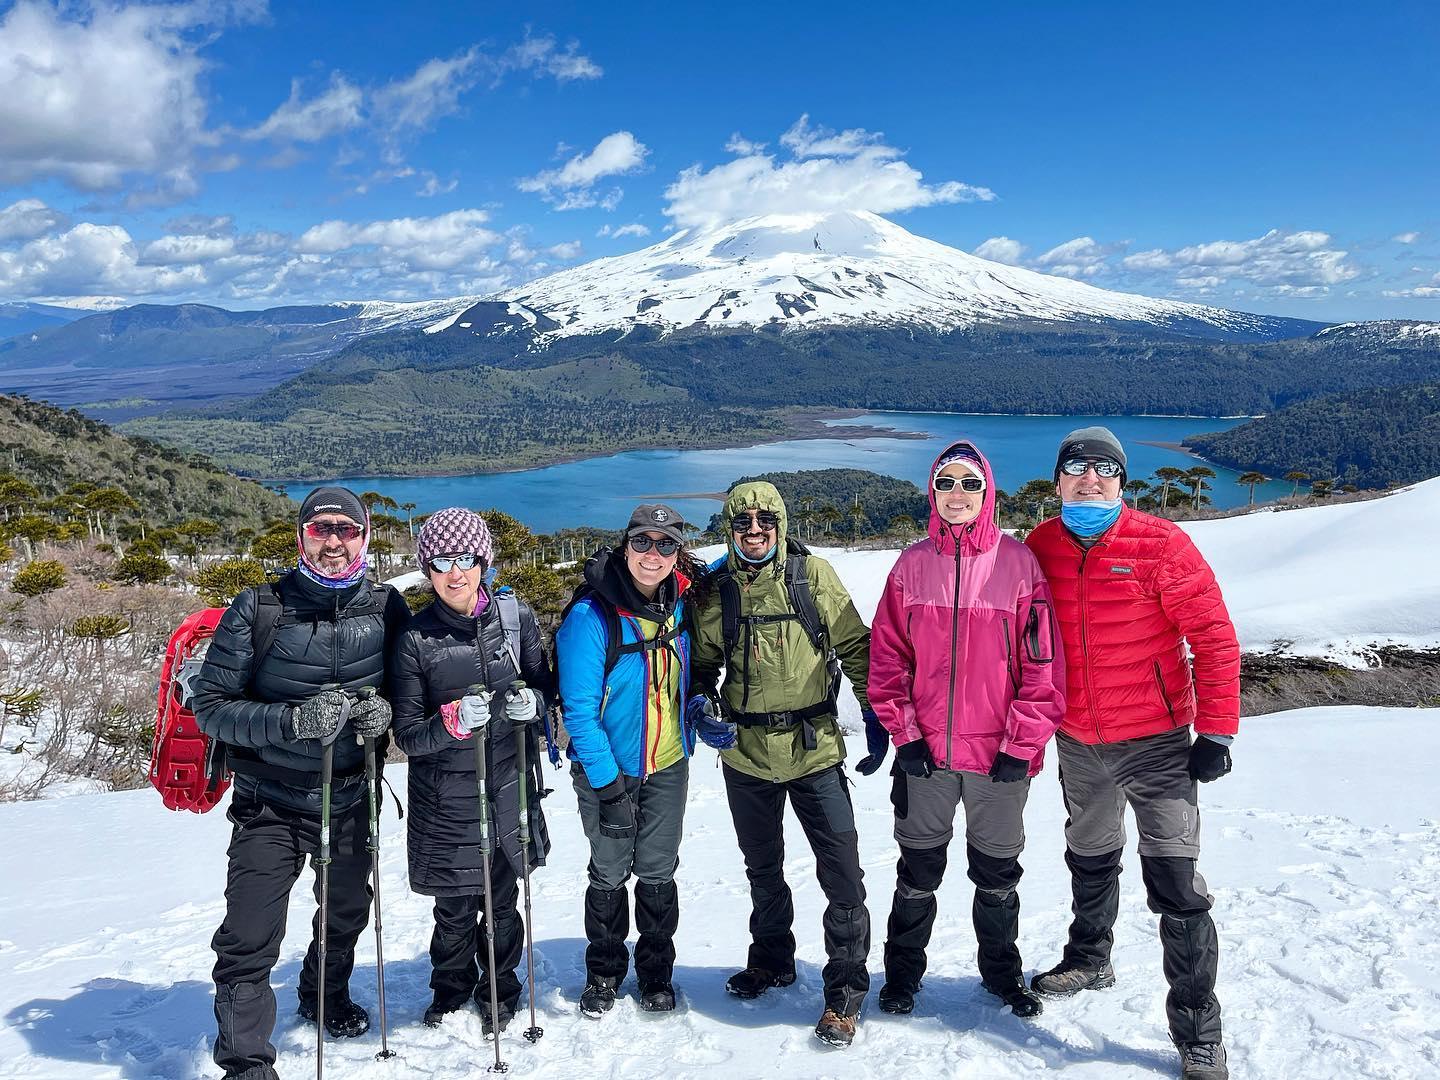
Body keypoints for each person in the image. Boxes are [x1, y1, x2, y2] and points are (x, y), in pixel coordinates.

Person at [1025, 427, 1240, 1080]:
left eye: (1105, 469)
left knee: (1176, 881)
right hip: (1077, 739)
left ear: (1122, 481)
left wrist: (1217, 732)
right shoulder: (1039, 546)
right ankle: (1090, 959)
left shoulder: (1161, 544)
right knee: (1089, 853)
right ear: (1058, 480)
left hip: (1157, 743)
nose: (1090, 479)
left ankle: (1199, 1034)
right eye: (1076, 467)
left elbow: (1213, 636)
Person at [192, 485, 411, 1080]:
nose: (334, 541)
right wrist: (291, 722)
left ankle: (323, 994)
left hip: (350, 796)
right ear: (301, 537)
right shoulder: (259, 608)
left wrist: (384, 714)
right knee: (250, 933)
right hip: (269, 803)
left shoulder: (387, 608)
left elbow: (408, 690)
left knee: (345, 913)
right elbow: (210, 707)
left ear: (365, 537)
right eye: (321, 529)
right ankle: (245, 1063)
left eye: (347, 529)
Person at [866, 440, 1066, 1020]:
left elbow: (1043, 665)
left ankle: (1001, 975)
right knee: (918, 870)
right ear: (932, 491)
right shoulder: (910, 567)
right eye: (946, 483)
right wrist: (904, 736)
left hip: (999, 757)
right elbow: (887, 660)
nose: (957, 494)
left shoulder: (1018, 564)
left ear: (988, 492)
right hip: (926, 755)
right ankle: (902, 976)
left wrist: (1022, 744)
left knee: (997, 871)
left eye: (969, 483)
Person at [689, 480, 876, 1048]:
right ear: (729, 527)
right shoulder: (716, 590)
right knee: (763, 867)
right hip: (745, 753)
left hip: (814, 748)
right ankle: (771, 960)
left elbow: (855, 645)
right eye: (742, 523)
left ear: (781, 525)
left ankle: (845, 990)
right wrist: (699, 704)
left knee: (842, 873)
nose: (754, 532)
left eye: (765, 522)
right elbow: (702, 665)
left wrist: (876, 712)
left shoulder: (811, 577)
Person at [389, 507, 554, 1034]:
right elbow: (406, 735)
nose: (454, 573)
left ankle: (501, 991)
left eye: (464, 559)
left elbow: (544, 688)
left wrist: (533, 705)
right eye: (441, 562)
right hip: (445, 803)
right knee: (454, 910)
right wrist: (451, 723)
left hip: (506, 788)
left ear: (483, 561)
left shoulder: (515, 619)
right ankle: (450, 989)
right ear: (428, 569)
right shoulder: (415, 639)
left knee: (502, 905)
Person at [555, 504, 709, 1018]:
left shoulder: (680, 602)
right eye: (642, 541)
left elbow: (687, 675)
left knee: (659, 871)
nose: (652, 554)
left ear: (677, 553)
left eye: (666, 544)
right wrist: (608, 788)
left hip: (668, 764)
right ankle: (603, 973)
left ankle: (656, 974)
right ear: (625, 546)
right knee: (609, 870)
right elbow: (579, 712)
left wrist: (700, 708)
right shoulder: (591, 616)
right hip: (609, 770)